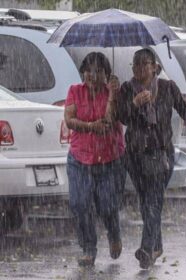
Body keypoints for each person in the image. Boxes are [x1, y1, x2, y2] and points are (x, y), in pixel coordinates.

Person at [116, 48, 186, 269]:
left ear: (155, 66)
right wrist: (134, 103)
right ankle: (157, 246)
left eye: (145, 64)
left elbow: (184, 108)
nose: (140, 69)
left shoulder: (166, 87)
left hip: (161, 153)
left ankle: (146, 248)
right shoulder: (127, 89)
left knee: (153, 200)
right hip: (135, 155)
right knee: (146, 203)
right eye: (136, 64)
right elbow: (121, 117)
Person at [64, 52, 126, 267]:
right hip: (80, 158)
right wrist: (90, 127)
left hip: (109, 158)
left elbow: (110, 121)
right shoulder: (74, 91)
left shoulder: (114, 93)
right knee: (80, 204)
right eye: (89, 70)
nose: (93, 75)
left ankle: (114, 233)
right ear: (83, 72)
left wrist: (112, 95)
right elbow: (69, 120)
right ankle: (88, 248)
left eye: (99, 71)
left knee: (108, 205)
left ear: (106, 74)